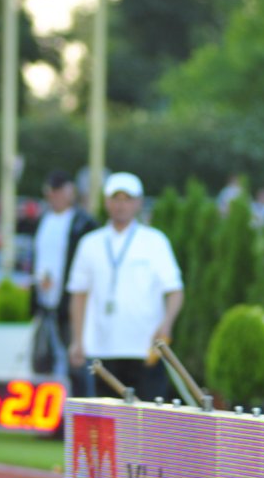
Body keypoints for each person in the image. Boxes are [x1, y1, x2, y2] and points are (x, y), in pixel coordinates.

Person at [68, 172, 184, 402]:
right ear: (106, 202)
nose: (121, 205)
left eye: (127, 199)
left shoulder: (155, 241)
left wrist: (166, 326)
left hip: (145, 348)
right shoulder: (90, 243)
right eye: (116, 198)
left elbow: (175, 290)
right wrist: (77, 340)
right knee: (110, 425)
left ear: (138, 203)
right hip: (102, 347)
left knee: (149, 419)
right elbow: (78, 294)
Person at [29, 170, 98, 395]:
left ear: (70, 192)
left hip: (69, 304)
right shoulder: (44, 220)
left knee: (75, 363)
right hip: (45, 302)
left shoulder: (83, 223)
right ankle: (50, 418)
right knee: (42, 360)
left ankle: (78, 413)